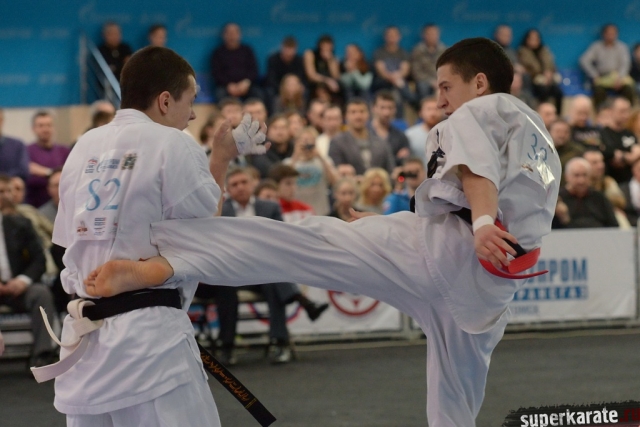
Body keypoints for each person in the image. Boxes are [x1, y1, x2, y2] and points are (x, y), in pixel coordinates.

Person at [83, 38, 562, 427]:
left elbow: (478, 174)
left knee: (304, 242)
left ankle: (167, 261)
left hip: (453, 247)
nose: (439, 100)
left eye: (445, 86)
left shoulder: (477, 110)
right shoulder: (537, 132)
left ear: (479, 82)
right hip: (487, 288)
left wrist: (481, 223)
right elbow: (489, 194)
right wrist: (408, 225)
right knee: (455, 406)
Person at [39, 46, 268, 426]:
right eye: (190, 101)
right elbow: (205, 230)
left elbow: (66, 240)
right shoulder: (173, 142)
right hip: (148, 343)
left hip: (86, 341)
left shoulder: (82, 146)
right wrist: (221, 159)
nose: (192, 114)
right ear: (165, 101)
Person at [197, 167, 326, 365]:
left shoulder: (269, 207)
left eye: (244, 182)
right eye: (234, 184)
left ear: (252, 184)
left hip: (260, 269)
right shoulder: (220, 210)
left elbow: (281, 240)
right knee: (233, 285)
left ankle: (278, 343)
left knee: (273, 278)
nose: (240, 187)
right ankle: (229, 346)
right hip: (231, 272)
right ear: (227, 189)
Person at [0, 174, 57, 367]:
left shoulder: (21, 223)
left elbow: (39, 259)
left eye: (7, 191)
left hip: (18, 287)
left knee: (41, 293)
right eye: (0, 191)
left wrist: (23, 280)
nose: (5, 196)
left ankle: (42, 355)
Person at [328, 98, 395, 176]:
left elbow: (391, 172)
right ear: (346, 116)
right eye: (353, 112)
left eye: (362, 111)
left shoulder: (381, 143)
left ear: (368, 115)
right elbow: (334, 173)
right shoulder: (337, 143)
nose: (358, 116)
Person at [284, 127, 337, 215]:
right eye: (303, 140)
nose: (307, 144)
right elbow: (283, 182)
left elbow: (334, 182)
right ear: (296, 142)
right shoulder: (288, 163)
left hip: (320, 211)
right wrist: (295, 156)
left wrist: (320, 157)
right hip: (297, 213)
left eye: (310, 140)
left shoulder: (324, 161)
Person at [580, 23, 635, 109]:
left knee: (629, 88)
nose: (611, 36)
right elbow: (584, 60)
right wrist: (594, 75)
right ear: (603, 34)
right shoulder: (596, 47)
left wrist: (620, 77)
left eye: (613, 34)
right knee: (598, 89)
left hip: (618, 77)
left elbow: (625, 64)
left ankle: (629, 113)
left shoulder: (622, 47)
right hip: (602, 77)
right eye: (608, 33)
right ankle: (601, 113)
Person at [26, 111, 71, 207]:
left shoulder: (64, 151)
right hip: (35, 205)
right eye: (41, 126)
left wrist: (45, 172)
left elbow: (69, 174)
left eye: (49, 125)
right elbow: (29, 173)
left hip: (62, 204)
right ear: (33, 129)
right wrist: (54, 173)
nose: (45, 129)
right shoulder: (26, 151)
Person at [211, 23, 263, 102]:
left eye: (234, 33)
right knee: (220, 93)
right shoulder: (218, 53)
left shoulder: (247, 50)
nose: (232, 36)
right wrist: (228, 85)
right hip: (226, 86)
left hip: (246, 85)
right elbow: (216, 73)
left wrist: (246, 82)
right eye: (229, 33)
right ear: (224, 35)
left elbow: (253, 70)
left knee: (258, 93)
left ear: (239, 35)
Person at [559, 157, 618, 228]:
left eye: (585, 175)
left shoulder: (599, 198)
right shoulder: (558, 199)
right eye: (576, 175)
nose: (581, 181)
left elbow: (614, 226)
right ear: (566, 177)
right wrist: (564, 218)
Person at [517, 28, 563, 113]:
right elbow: (529, 68)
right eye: (532, 39)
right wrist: (541, 74)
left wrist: (549, 73)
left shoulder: (544, 50)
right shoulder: (523, 51)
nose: (535, 41)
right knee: (543, 90)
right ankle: (543, 113)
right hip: (533, 81)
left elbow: (551, 64)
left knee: (558, 91)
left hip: (548, 80)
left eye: (536, 38)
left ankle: (557, 114)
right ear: (527, 39)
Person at [372, 26, 415, 115]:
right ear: (385, 37)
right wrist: (392, 78)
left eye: (394, 35)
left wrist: (397, 77)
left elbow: (405, 69)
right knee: (397, 89)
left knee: (400, 94)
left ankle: (400, 118)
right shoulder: (379, 52)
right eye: (389, 35)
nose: (392, 38)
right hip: (383, 81)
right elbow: (381, 70)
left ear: (399, 37)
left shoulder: (403, 52)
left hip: (399, 80)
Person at [601, 97, 640, 183]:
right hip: (611, 180)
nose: (626, 115)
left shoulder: (630, 133)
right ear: (611, 111)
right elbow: (612, 157)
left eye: (628, 111)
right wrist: (629, 156)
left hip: (631, 182)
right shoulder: (604, 133)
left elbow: (637, 154)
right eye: (622, 111)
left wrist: (622, 156)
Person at [369, 90, 411, 165]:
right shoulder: (365, 133)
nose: (387, 113)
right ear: (373, 108)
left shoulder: (400, 136)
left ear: (395, 110)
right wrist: (396, 158)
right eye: (382, 108)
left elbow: (404, 161)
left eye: (390, 108)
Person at [265, 36, 307, 104]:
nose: (289, 53)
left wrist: (299, 86)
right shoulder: (273, 59)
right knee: (269, 91)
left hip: (295, 87)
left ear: (296, 49)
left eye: (291, 49)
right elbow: (271, 79)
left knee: (305, 91)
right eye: (287, 49)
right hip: (278, 88)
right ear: (282, 47)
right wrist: (284, 89)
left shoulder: (299, 60)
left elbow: (302, 78)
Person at [411, 24, 447, 100]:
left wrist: (440, 81)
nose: (432, 36)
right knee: (422, 87)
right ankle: (425, 106)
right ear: (424, 35)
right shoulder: (417, 50)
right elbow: (416, 71)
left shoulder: (444, 50)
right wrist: (431, 82)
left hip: (441, 80)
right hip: (424, 81)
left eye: (434, 34)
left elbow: (448, 70)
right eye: (429, 34)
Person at [303, 35, 342, 104]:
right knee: (321, 87)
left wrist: (330, 61)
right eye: (324, 46)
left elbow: (336, 76)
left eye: (329, 46)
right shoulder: (310, 54)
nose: (326, 48)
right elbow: (311, 75)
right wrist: (327, 81)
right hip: (314, 83)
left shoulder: (333, 58)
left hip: (330, 85)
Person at [405, 97, 442, 165]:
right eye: (429, 109)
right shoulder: (410, 135)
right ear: (420, 113)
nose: (433, 113)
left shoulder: (449, 134)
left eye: (436, 109)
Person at [0, 108, 29, 181]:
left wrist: (5, 179)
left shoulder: (17, 145)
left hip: (11, 185)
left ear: (2, 121)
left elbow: (23, 170)